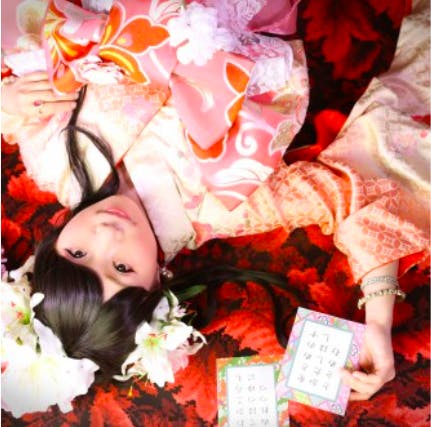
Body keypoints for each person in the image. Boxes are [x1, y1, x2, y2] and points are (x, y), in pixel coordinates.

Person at [1, 0, 429, 411]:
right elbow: (351, 193)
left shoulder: (53, 162)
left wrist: (10, 99)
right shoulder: (224, 206)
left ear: (50, 247)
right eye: (123, 267)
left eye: (78, 253)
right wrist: (378, 320)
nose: (107, 236)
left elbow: (28, 55)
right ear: (157, 283)